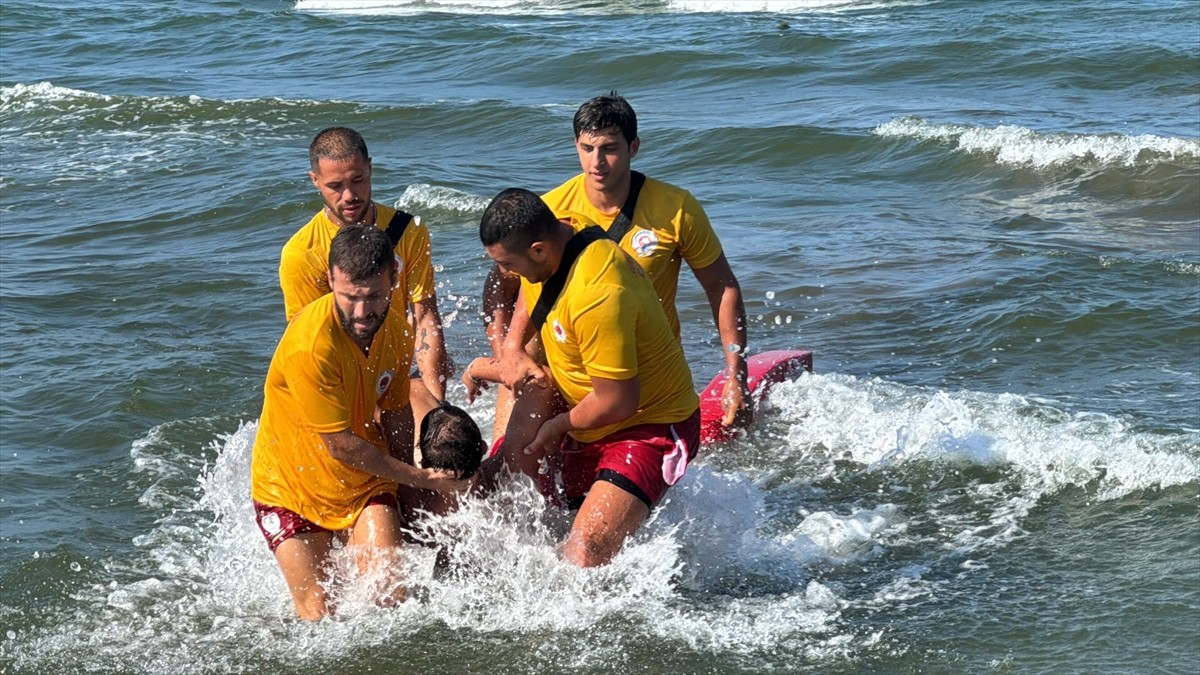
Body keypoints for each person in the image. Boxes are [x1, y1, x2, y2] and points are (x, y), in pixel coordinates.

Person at [481, 92, 751, 442]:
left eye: (609, 148)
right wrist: (507, 348)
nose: (597, 162)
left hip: (644, 373)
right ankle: (505, 446)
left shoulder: (675, 209)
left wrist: (736, 373)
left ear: (633, 147)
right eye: (586, 148)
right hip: (566, 365)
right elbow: (505, 277)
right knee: (514, 447)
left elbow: (721, 287)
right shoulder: (549, 211)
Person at [471, 188, 701, 567]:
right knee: (502, 481)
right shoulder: (565, 228)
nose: (507, 275)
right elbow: (534, 291)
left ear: (539, 249)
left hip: (649, 423)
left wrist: (558, 426)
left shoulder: (599, 294)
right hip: (582, 405)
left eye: (509, 264)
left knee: (584, 551)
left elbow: (617, 402)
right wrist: (512, 347)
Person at [251, 225, 468, 621]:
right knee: (320, 617)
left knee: (389, 598)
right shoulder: (312, 345)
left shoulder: (398, 331)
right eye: (350, 297)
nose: (363, 312)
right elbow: (342, 445)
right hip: (290, 488)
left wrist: (407, 485)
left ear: (394, 279)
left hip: (363, 484)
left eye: (374, 296)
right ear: (331, 279)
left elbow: (398, 409)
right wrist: (423, 480)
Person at [280, 126, 451, 432]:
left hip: (395, 367)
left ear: (370, 168)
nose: (349, 196)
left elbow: (425, 319)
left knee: (440, 434)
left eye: (358, 180)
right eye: (335, 186)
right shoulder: (302, 253)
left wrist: (437, 402)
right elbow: (309, 345)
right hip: (341, 377)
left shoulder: (407, 231)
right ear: (314, 181)